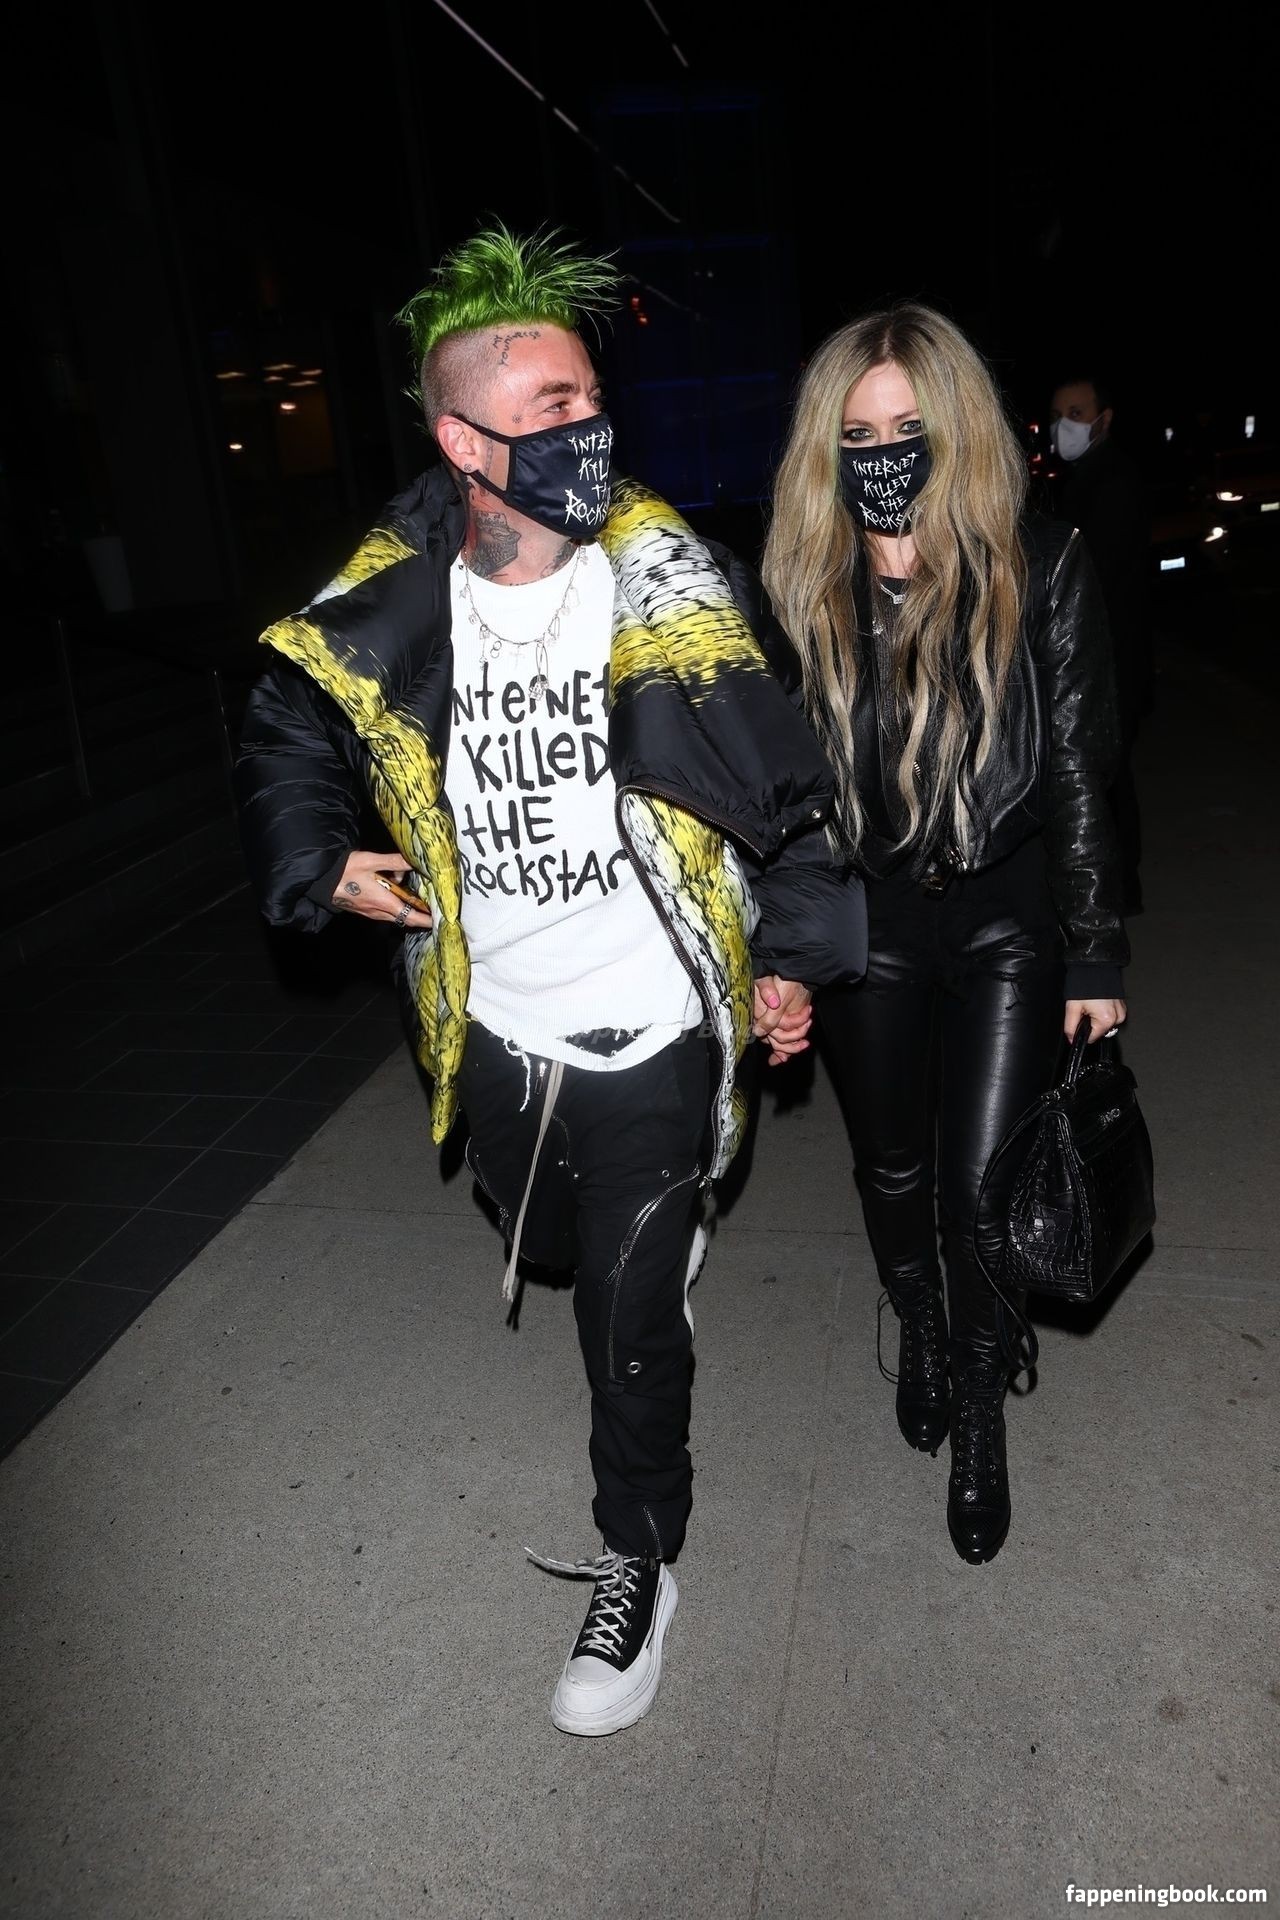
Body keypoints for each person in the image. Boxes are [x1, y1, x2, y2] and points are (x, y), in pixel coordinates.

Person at [234, 224, 865, 1736]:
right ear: (463, 443)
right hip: (496, 1031)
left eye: (592, 399)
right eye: (549, 410)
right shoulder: (398, 598)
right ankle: (639, 1256)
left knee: (625, 1327)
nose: (589, 431)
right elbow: (286, 722)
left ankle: (636, 1559)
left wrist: (788, 957)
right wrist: (319, 856)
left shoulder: (666, 582)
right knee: (562, 1252)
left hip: (652, 1023)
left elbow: (782, 779)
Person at [762, 303, 1129, 1566]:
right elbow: (781, 799)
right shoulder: (803, 583)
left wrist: (1094, 948)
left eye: (906, 428)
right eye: (857, 433)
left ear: (956, 428)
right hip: (864, 921)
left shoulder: (1039, 565)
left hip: (1003, 919)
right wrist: (779, 955)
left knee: (979, 1196)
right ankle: (915, 1318)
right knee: (889, 1173)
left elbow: (1077, 767)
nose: (882, 455)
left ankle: (978, 1395)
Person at [1048, 372, 1153, 913]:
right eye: (1059, 414)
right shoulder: (1082, 477)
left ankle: (1115, 893)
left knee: (1104, 781)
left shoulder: (1112, 481)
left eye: (1077, 413)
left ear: (1104, 420)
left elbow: (1098, 577)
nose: (1065, 425)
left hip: (1113, 659)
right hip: (1103, 658)